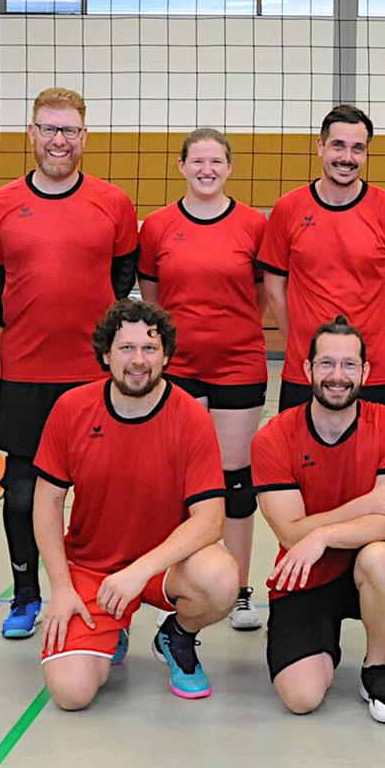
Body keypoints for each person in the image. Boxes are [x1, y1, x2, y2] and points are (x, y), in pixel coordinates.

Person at [0, 87, 139, 639]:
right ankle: (26, 595)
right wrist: (30, 323)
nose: (59, 140)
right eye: (49, 128)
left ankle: (98, 594)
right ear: (31, 133)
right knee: (22, 491)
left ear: (85, 136)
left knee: (100, 493)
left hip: (94, 376)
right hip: (26, 372)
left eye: (69, 130)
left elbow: (121, 282)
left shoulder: (113, 203)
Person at [33, 299, 238, 709]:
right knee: (71, 694)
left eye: (149, 348)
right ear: (106, 354)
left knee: (221, 577)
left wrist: (138, 572)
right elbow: (47, 501)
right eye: (126, 348)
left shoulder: (191, 418)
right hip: (93, 568)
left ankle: (176, 635)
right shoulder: (72, 409)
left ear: (166, 356)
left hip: (162, 567)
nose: (138, 360)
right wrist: (60, 588)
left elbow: (211, 519)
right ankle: (112, 629)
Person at [252, 316, 385, 723]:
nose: (337, 376)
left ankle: (375, 668)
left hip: (366, 566)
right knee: (301, 697)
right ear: (307, 370)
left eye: (348, 365)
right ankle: (320, 641)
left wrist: (323, 533)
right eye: (326, 364)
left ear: (365, 372)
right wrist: (366, 504)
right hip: (304, 573)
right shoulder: (273, 437)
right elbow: (292, 534)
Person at [139, 127, 268, 632]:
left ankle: (237, 588)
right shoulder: (158, 226)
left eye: (216, 162)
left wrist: (230, 330)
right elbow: (152, 298)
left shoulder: (253, 225)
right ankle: (181, 579)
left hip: (239, 361)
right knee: (183, 482)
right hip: (180, 367)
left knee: (235, 479)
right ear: (182, 166)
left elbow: (259, 294)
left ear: (229, 167)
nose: (207, 170)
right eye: (198, 161)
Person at [258, 104, 385, 414]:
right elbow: (274, 286)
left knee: (371, 458)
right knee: (302, 459)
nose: (347, 157)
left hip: (372, 369)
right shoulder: (288, 208)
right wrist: (300, 341)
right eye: (338, 145)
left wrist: (377, 339)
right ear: (320, 145)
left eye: (358, 148)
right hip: (306, 368)